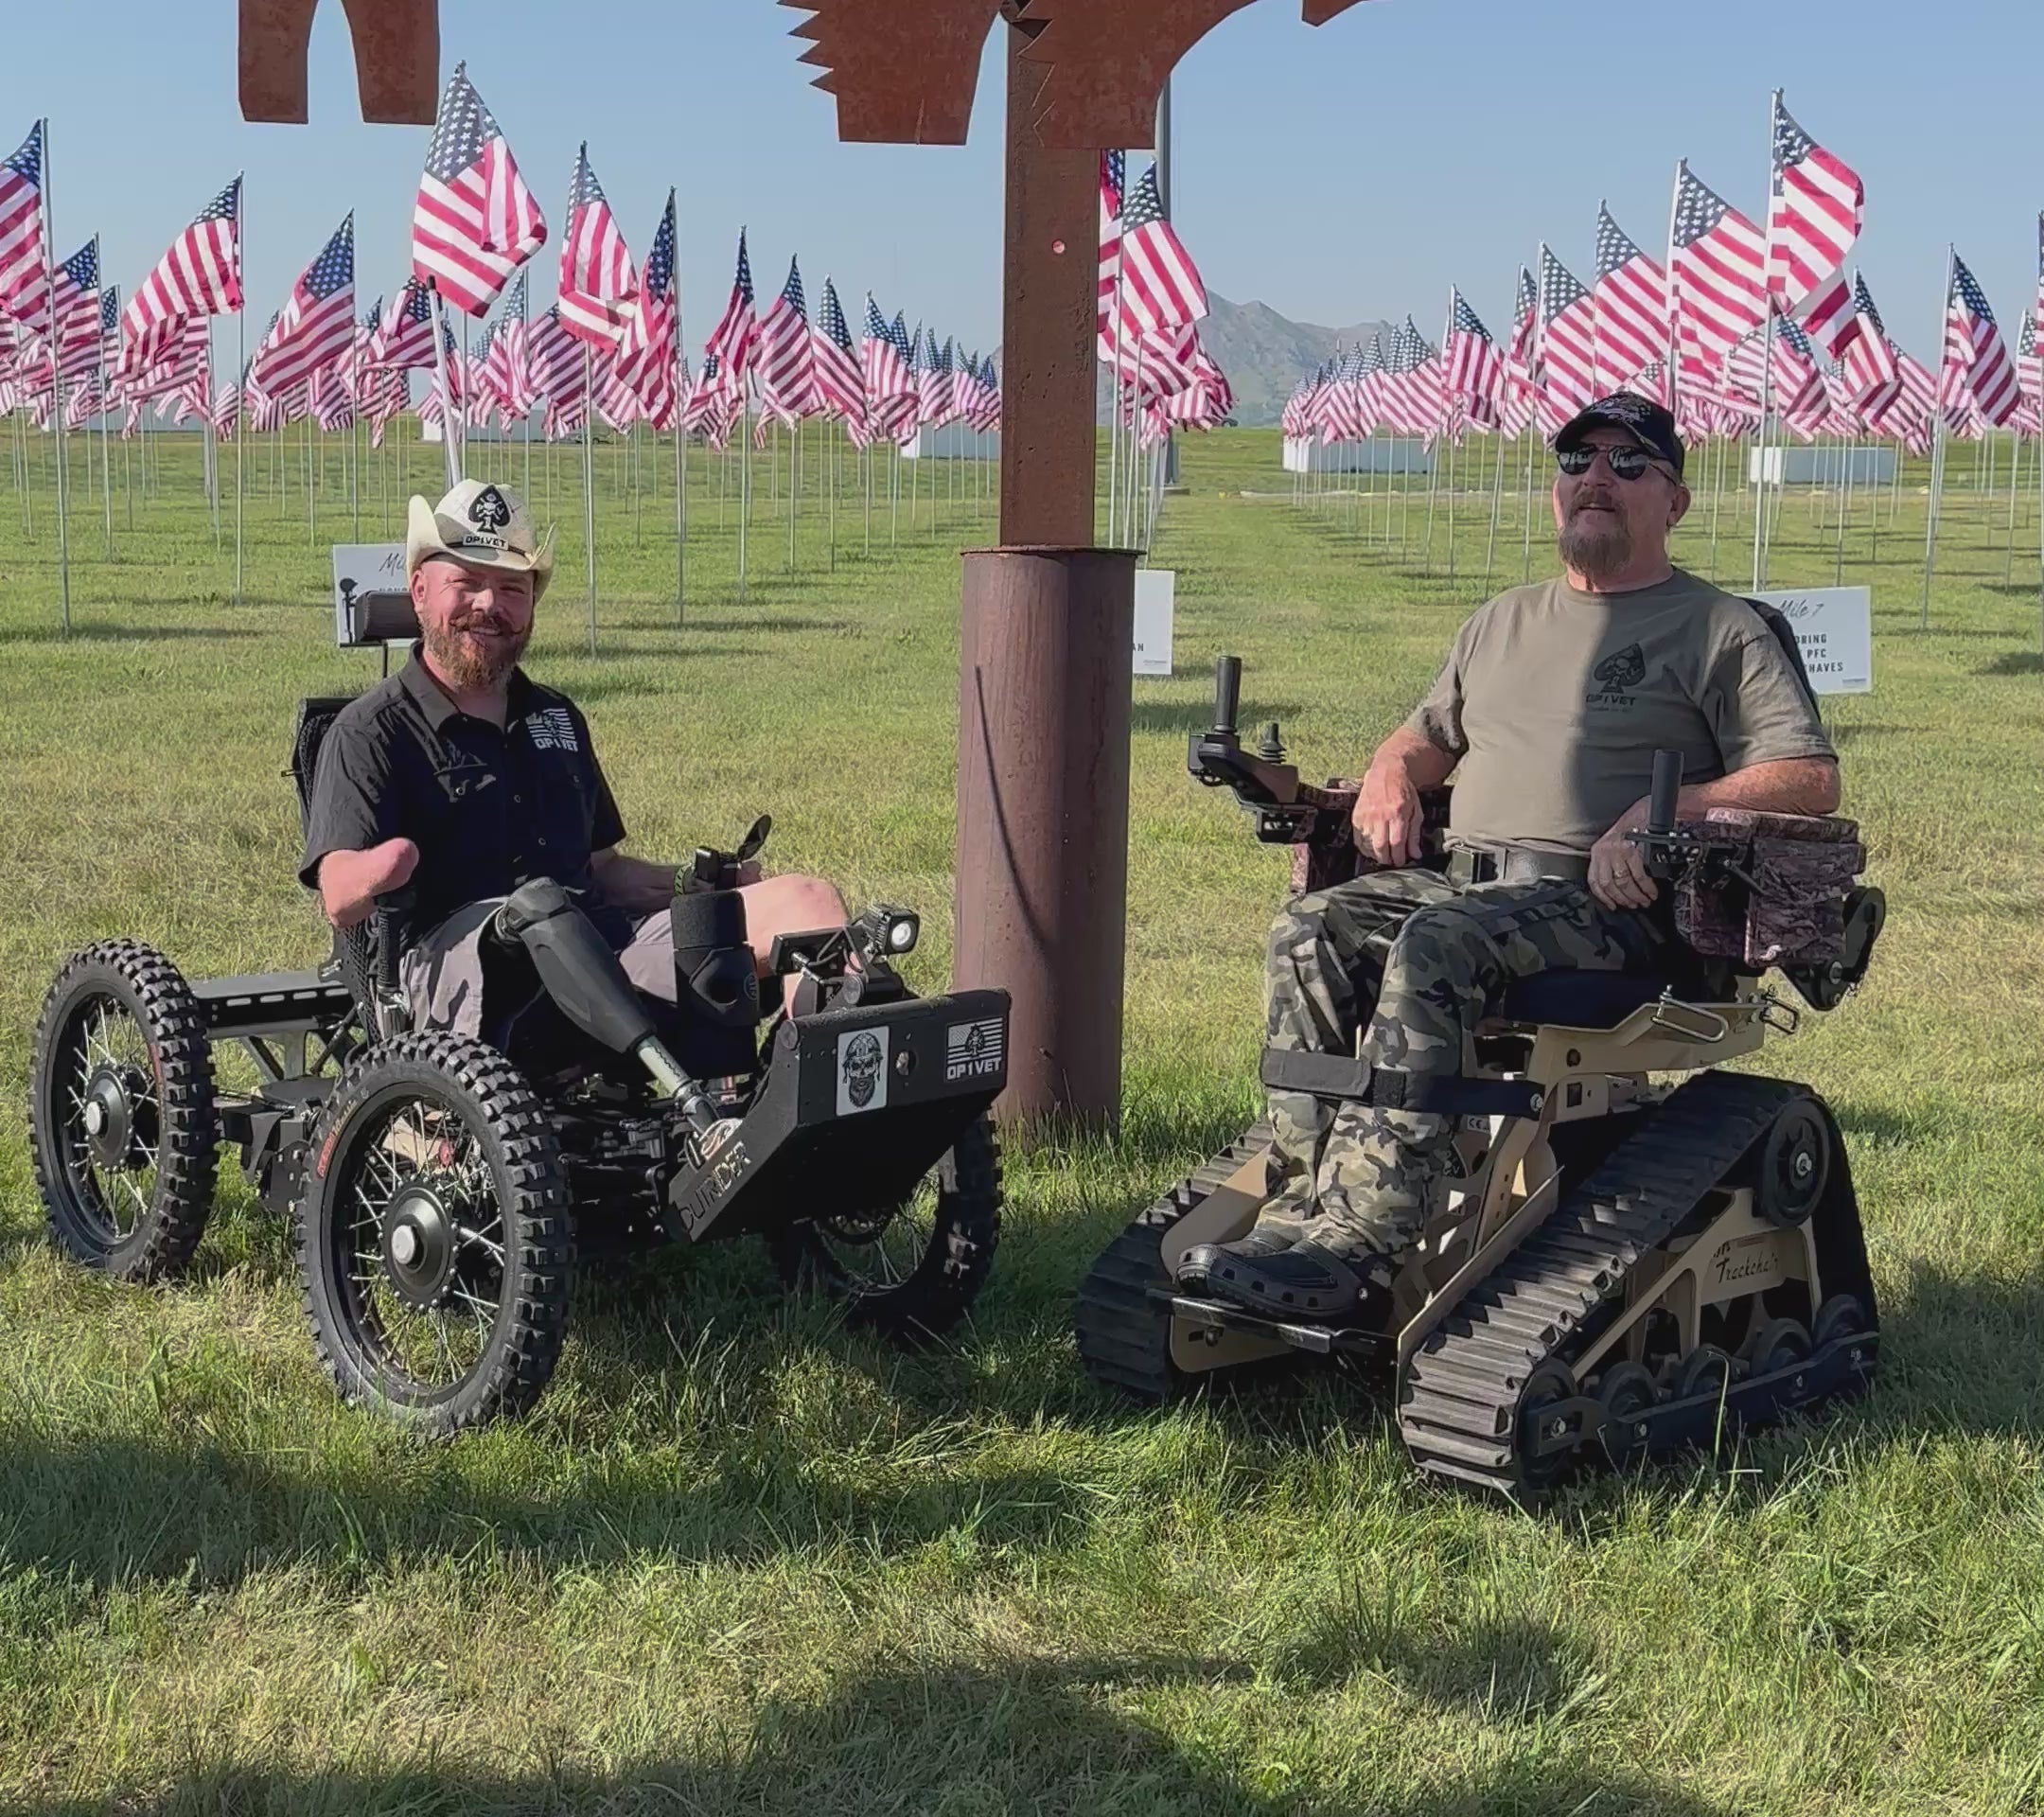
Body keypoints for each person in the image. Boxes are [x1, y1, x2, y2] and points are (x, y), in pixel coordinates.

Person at [1181, 392, 1840, 1323]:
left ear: (1675, 501)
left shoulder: (1717, 628)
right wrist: (1388, 774)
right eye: (1577, 461)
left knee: (1438, 944)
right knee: (1312, 929)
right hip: (1468, 885)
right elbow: (1423, 740)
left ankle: (1366, 1242)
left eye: (1628, 462)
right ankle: (1296, 1209)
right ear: (1554, 491)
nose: (1597, 478)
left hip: (1612, 909)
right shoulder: (1500, 621)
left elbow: (1808, 778)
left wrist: (1665, 813)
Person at [301, 479, 847, 1041]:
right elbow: (338, 896)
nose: (489, 605)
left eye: (512, 589)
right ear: (419, 591)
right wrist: (387, 865)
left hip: (603, 947)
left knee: (808, 904)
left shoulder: (556, 717)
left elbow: (602, 872)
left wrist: (695, 884)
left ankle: (825, 1080)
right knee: (541, 911)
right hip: (463, 974)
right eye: (466, 583)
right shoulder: (370, 730)